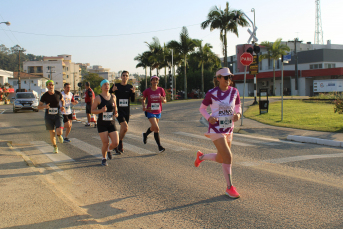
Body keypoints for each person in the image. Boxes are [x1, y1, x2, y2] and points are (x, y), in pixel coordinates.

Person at [195, 67, 242, 198]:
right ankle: (229, 187)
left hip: (229, 129)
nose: (228, 80)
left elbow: (238, 106)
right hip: (216, 129)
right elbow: (202, 108)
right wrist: (209, 117)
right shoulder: (212, 93)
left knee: (221, 158)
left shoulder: (234, 91)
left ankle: (201, 157)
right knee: (228, 156)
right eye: (226, 77)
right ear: (219, 79)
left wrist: (238, 114)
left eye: (230, 77)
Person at [91, 79, 119, 166]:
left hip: (111, 123)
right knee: (105, 142)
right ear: (101, 87)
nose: (107, 86)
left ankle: (109, 150)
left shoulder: (113, 97)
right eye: (105, 84)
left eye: (108, 84)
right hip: (102, 124)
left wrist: (116, 113)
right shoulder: (98, 98)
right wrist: (101, 110)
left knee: (115, 143)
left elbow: (115, 108)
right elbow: (92, 111)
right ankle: (104, 158)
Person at [109, 70, 135, 154]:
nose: (125, 77)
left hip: (126, 111)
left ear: (128, 77)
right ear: (121, 77)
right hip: (118, 110)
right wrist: (112, 91)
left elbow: (133, 100)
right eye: (123, 75)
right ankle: (119, 143)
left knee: (123, 129)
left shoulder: (130, 87)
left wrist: (133, 92)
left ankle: (117, 144)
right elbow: (108, 95)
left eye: (126, 75)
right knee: (125, 127)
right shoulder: (116, 86)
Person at [37, 80, 66, 154]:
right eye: (49, 85)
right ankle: (55, 147)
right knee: (52, 132)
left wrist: (62, 106)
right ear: (47, 86)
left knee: (59, 131)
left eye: (52, 85)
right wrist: (44, 106)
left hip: (57, 114)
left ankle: (59, 135)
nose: (51, 86)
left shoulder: (58, 93)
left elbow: (62, 100)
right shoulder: (45, 95)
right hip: (49, 116)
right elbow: (38, 106)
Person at [142, 75, 166, 153]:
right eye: (154, 80)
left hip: (158, 111)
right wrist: (143, 106)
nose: (155, 81)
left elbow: (165, 100)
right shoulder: (147, 91)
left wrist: (163, 100)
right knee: (157, 128)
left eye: (156, 80)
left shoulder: (161, 90)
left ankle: (145, 134)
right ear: (151, 81)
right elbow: (143, 99)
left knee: (153, 128)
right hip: (150, 111)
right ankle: (160, 146)